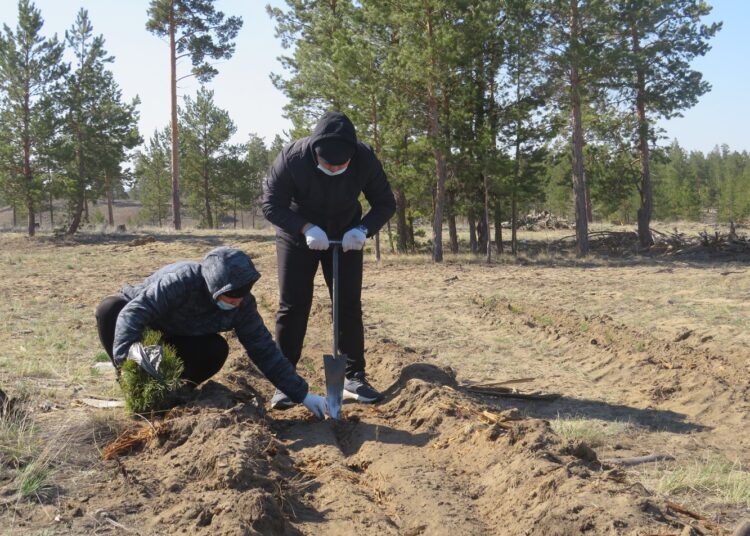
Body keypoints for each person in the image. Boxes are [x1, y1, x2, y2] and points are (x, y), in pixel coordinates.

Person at [94, 246, 327, 419]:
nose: (236, 303)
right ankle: (135, 389)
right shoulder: (182, 281)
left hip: (181, 339)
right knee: (110, 309)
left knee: (216, 349)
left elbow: (264, 350)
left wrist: (302, 394)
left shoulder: (242, 306)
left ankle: (173, 394)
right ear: (215, 288)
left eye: (241, 297)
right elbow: (133, 314)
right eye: (230, 298)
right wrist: (126, 361)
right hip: (146, 331)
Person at [262, 111, 396, 409]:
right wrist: (305, 228)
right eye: (327, 164)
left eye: (341, 164)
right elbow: (270, 205)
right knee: (293, 304)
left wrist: (363, 229)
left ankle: (353, 378)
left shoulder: (364, 159)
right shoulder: (292, 158)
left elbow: (386, 203)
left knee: (348, 304)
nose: (334, 168)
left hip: (347, 236)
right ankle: (286, 381)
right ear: (315, 152)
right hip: (298, 235)